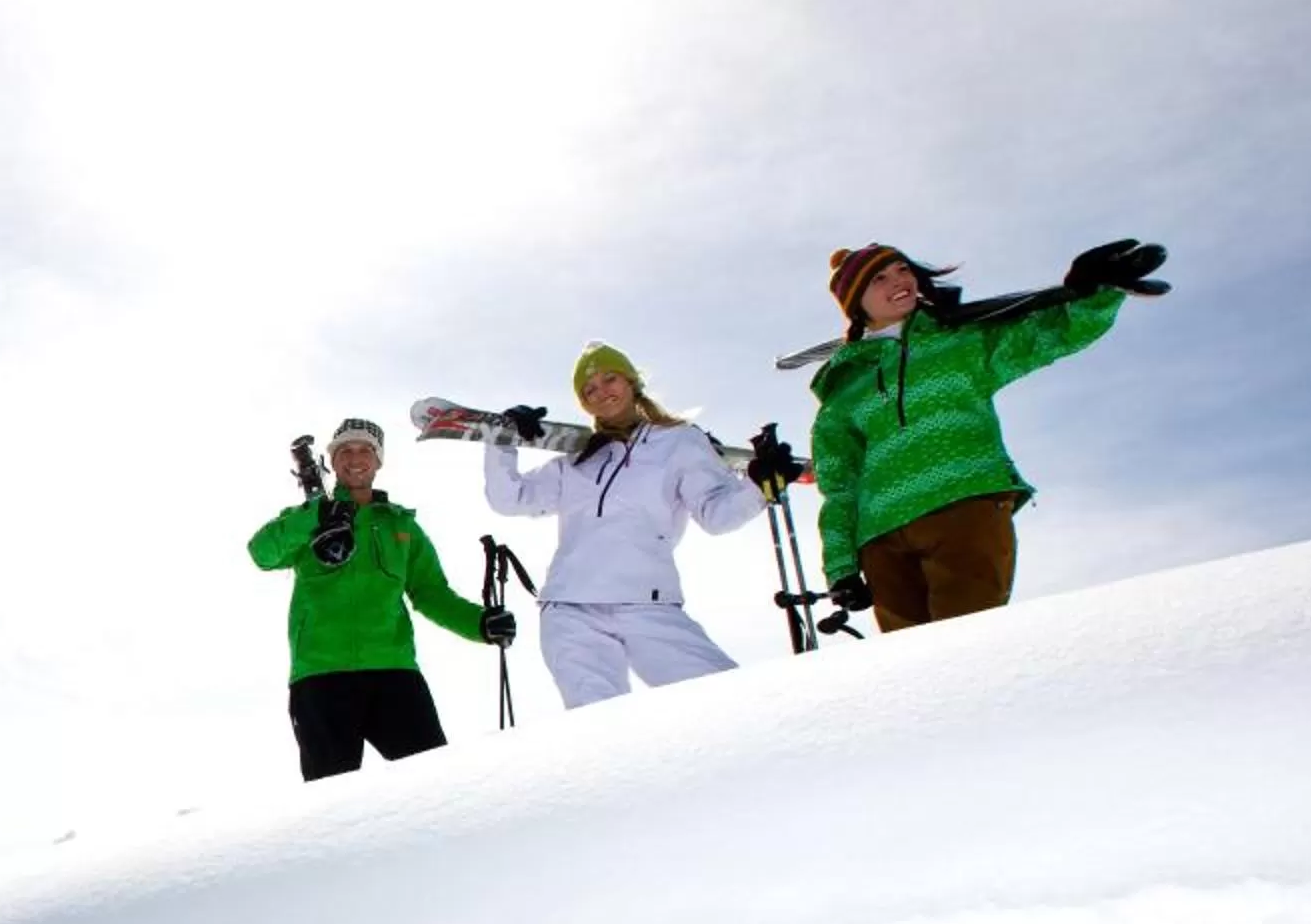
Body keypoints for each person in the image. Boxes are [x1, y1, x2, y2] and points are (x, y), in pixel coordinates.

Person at [807, 239, 1167, 630]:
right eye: (879, 278)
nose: (899, 280)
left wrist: (1097, 293)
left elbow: (1049, 333)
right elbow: (839, 483)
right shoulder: (843, 388)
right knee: (912, 659)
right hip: (882, 537)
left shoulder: (962, 341)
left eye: (903, 269)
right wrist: (841, 567)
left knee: (968, 641)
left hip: (964, 504)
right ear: (855, 301)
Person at [480, 343, 769, 709]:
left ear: (632, 382)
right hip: (570, 609)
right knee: (600, 723)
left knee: (723, 698)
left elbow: (718, 515)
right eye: (589, 390)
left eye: (609, 379)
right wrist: (502, 441)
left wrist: (761, 485)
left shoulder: (680, 442)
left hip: (647, 603)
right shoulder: (577, 462)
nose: (601, 392)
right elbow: (509, 499)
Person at [249, 417, 515, 781]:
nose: (355, 458)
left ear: (378, 461)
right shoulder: (307, 518)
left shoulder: (401, 526)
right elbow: (261, 553)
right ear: (332, 461)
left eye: (365, 450)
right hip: (321, 677)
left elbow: (431, 593)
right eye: (345, 450)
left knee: (435, 783)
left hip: (394, 673)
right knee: (331, 796)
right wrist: (315, 516)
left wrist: (481, 624)